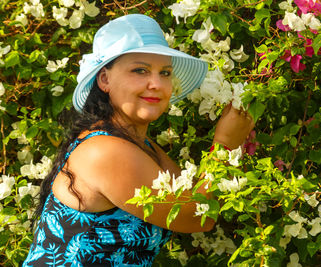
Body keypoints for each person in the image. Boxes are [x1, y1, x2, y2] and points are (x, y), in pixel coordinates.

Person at [23, 14, 254, 266]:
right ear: (104, 79)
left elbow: (189, 197)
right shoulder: (106, 151)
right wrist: (225, 144)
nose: (155, 83)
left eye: (164, 72)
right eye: (140, 70)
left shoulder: (137, 143)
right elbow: (199, 216)